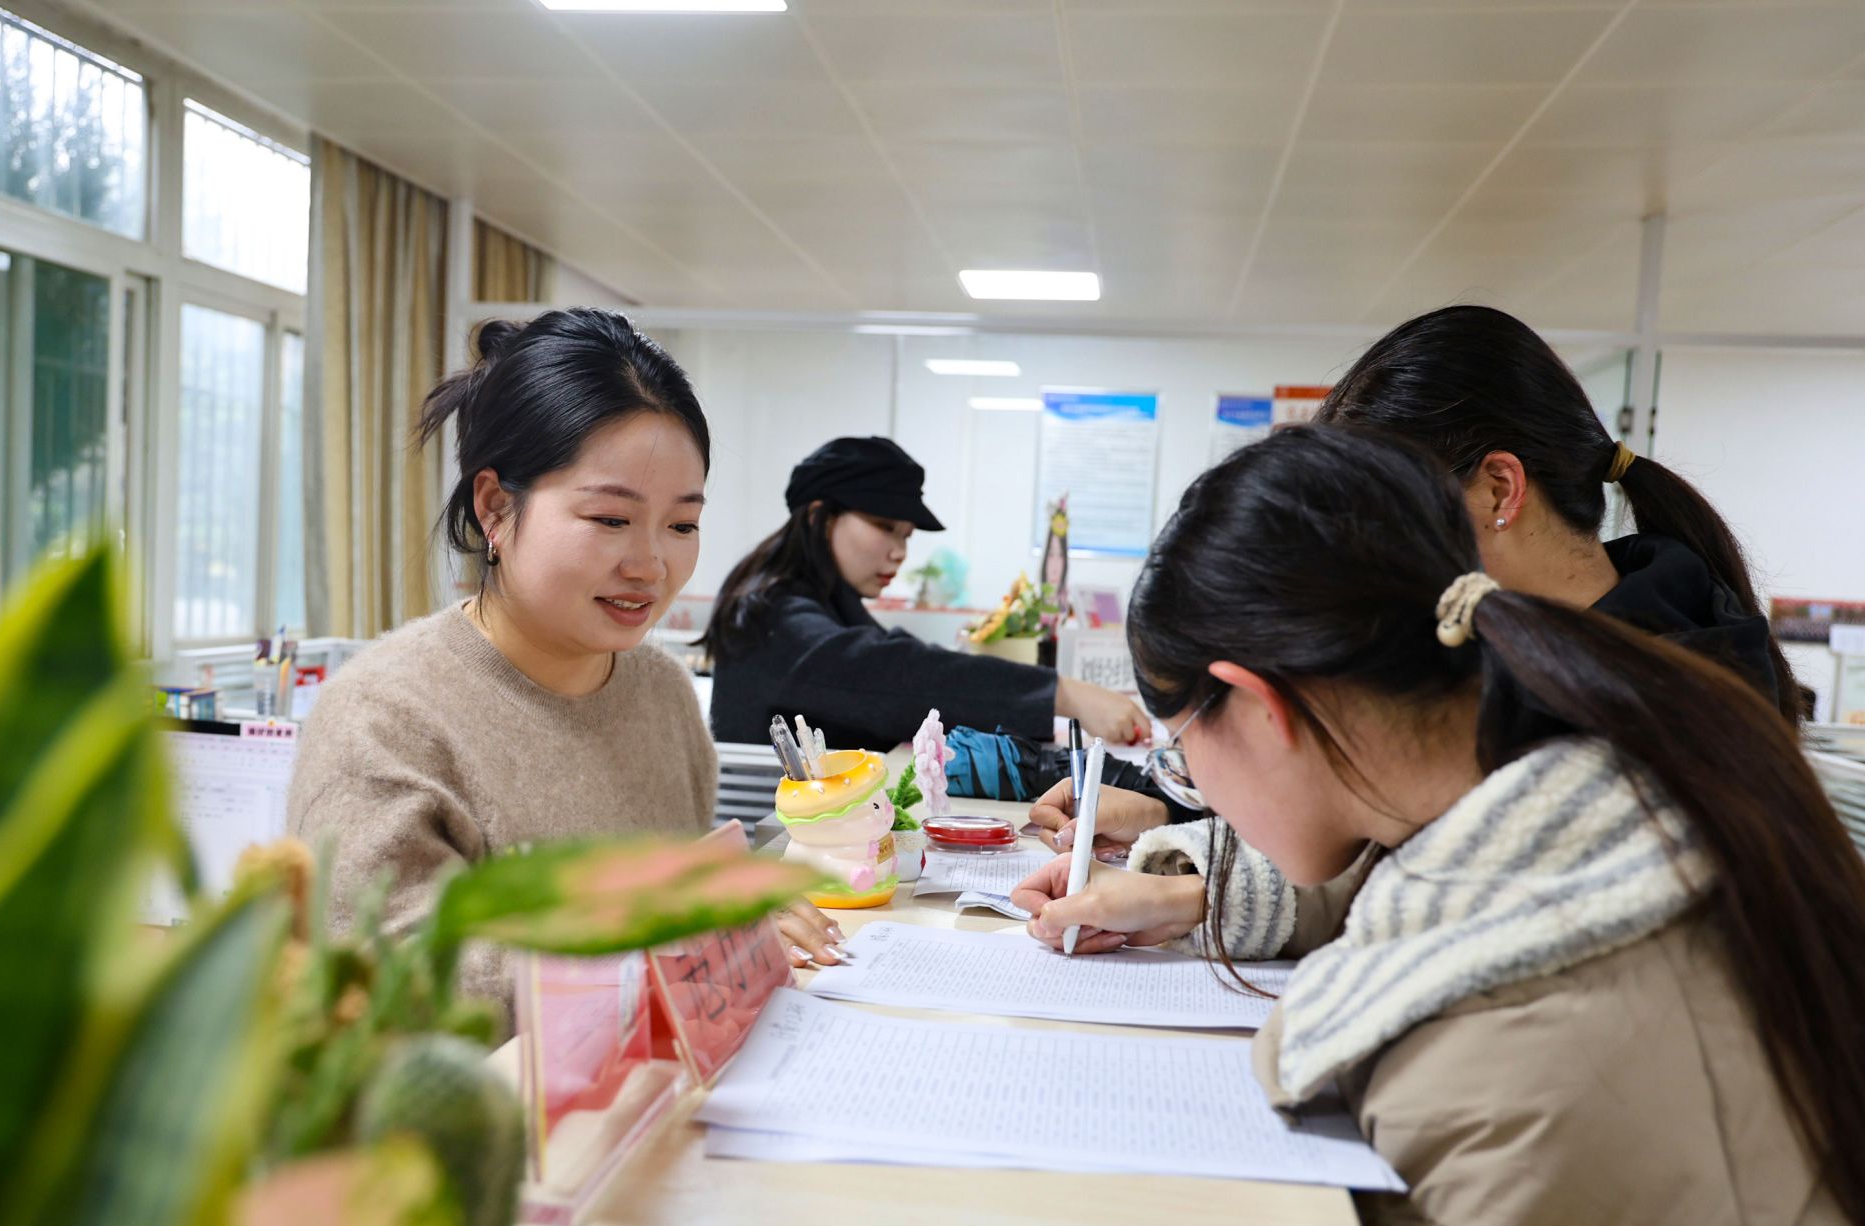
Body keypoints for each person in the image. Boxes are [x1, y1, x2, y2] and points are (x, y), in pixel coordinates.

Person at [1053, 424, 1865, 1226]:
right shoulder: (1592, 797)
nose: (1186, 777)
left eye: (1180, 745)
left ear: (1262, 706)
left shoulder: (1513, 1064)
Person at [1021, 303, 1801, 944]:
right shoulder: (1521, 653)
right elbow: (1406, 834)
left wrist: (1197, 884)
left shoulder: (1654, 706)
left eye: (1396, 513)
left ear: (1499, 490)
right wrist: (1175, 833)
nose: (1365, 562)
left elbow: (1478, 878)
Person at [289, 308, 848, 1019]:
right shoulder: (383, 719)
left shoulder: (664, 694)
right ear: (495, 507)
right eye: (610, 519)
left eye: (682, 524)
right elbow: (387, 976)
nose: (651, 564)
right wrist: (668, 943)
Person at [700, 434, 1148, 753]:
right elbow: (890, 674)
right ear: (821, 515)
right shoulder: (771, 614)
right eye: (885, 527)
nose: (899, 552)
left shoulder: (826, 601)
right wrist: (1062, 694)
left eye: (907, 535)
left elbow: (899, 659)